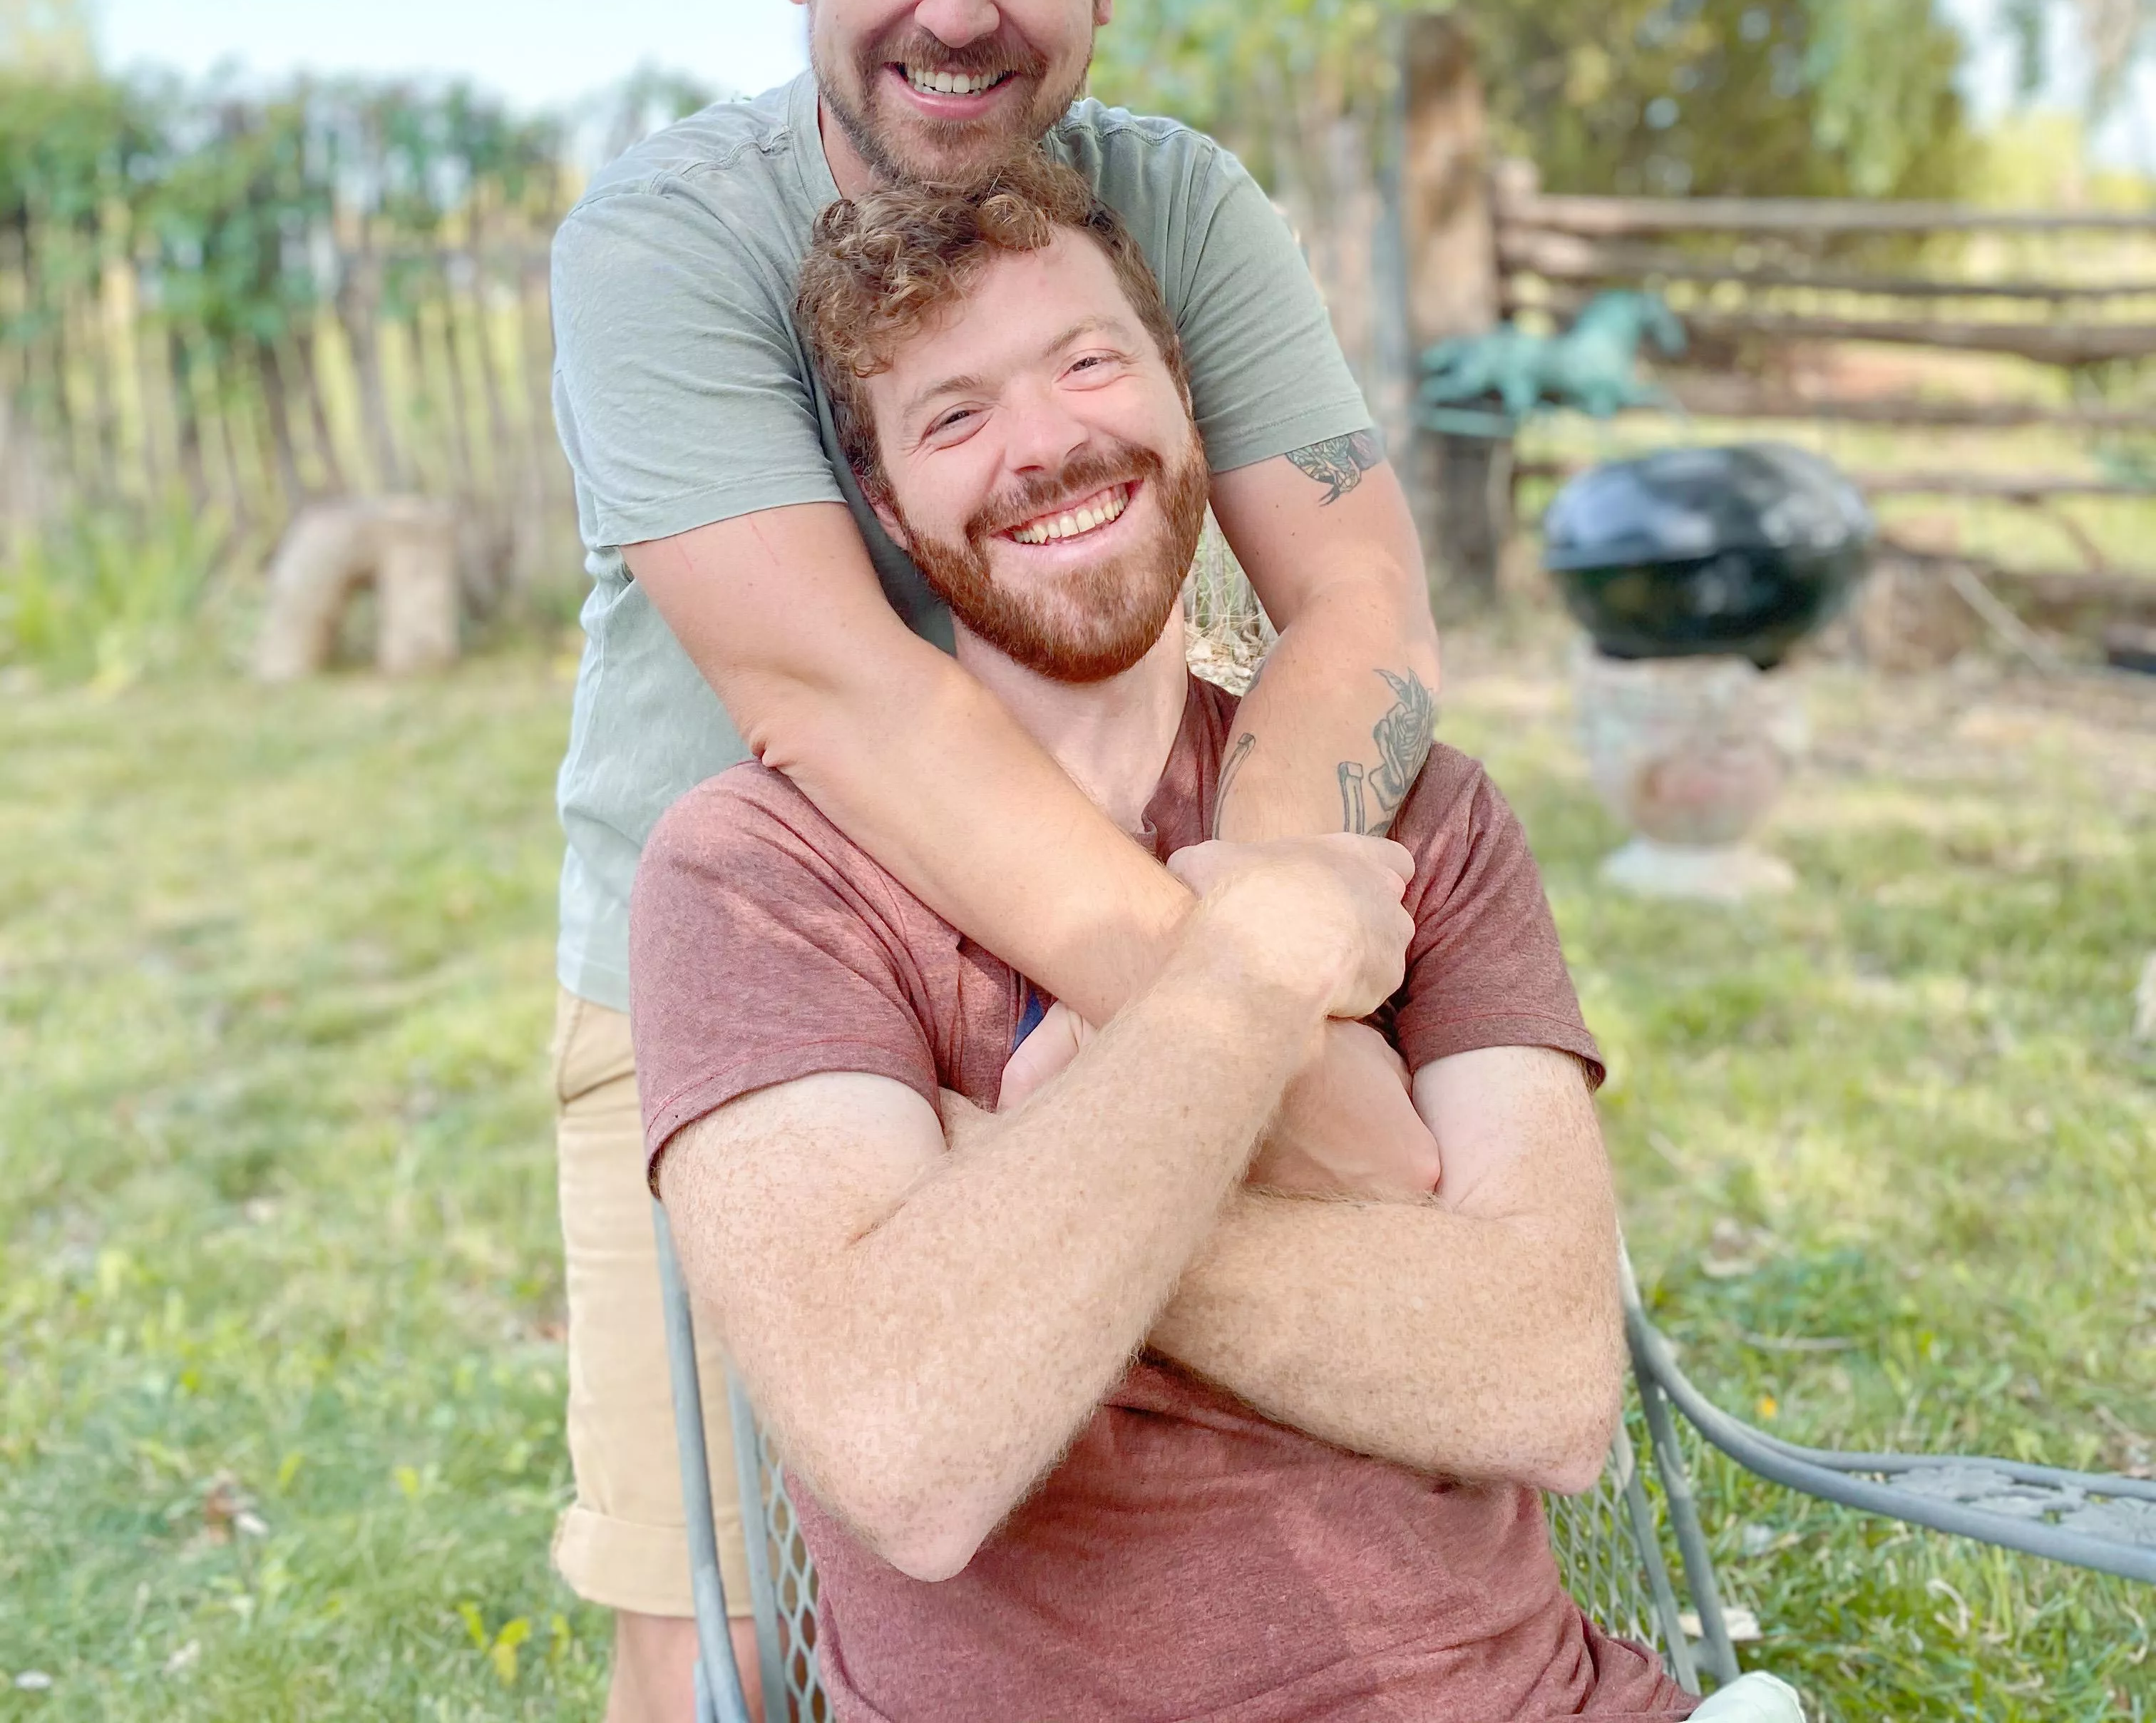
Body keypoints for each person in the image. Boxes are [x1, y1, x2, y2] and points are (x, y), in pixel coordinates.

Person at [547, 0, 1448, 1722]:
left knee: (1181, 1560)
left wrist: (1274, 906)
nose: (958, 4)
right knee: (730, 1628)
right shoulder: (665, 248)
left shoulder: (1186, 206)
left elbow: (1366, 595)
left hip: (1142, 926)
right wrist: (1265, 1032)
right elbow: (845, 697)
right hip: (734, 980)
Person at [630, 156, 1797, 1719]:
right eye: (955, 417)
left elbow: (1545, 1380)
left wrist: (1007, 1196)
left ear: (1187, 399)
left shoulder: (1428, 817)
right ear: (890, 511)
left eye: (1090, 362)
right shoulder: (757, 879)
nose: (1046, 445)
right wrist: (1247, 972)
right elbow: (909, 1448)